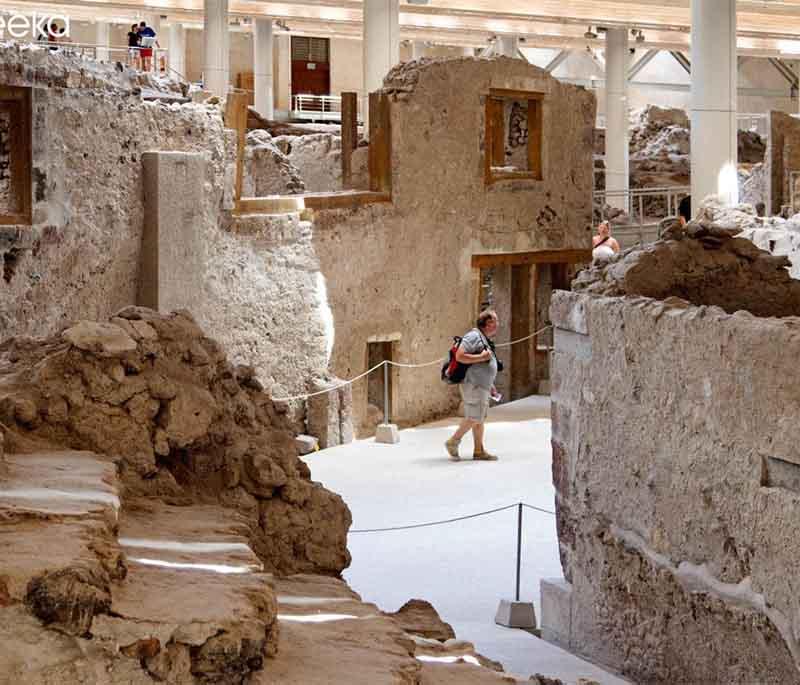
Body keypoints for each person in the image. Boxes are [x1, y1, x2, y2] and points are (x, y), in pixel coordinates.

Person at [445, 310, 501, 462]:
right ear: (488, 323)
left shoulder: (483, 338)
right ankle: (453, 441)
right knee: (473, 417)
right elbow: (460, 356)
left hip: (482, 385)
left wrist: (491, 385)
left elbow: (485, 366)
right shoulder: (473, 336)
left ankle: (478, 451)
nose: (498, 324)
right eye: (495, 321)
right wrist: (482, 357)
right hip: (473, 384)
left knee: (480, 418)